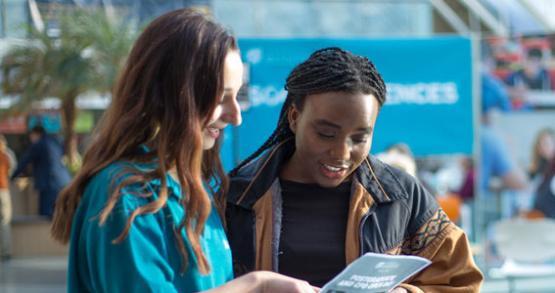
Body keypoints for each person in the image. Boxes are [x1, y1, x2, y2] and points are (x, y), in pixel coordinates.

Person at [50, 9, 316, 293]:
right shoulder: (127, 197)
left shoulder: (191, 187)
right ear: (172, 93)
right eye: (220, 97)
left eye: (236, 96)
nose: (235, 116)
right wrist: (256, 285)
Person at [226, 47, 483, 292]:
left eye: (359, 138)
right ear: (294, 117)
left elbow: (460, 281)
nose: (342, 153)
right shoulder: (236, 196)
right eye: (326, 134)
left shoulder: (401, 196)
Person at [10, 125, 71, 218]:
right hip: (64, 182)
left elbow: (24, 161)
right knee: (63, 215)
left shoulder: (39, 144)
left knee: (46, 216)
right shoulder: (55, 142)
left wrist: (11, 177)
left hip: (49, 185)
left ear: (35, 134)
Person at [0, 134, 14, 261]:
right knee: (4, 222)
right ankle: (5, 252)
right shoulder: (5, 156)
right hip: (3, 190)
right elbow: (11, 171)